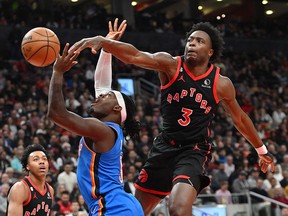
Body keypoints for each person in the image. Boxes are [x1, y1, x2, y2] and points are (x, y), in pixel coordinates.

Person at [68, 21, 275, 215]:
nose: (192, 44)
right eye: (190, 40)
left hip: (193, 151)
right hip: (164, 147)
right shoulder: (170, 64)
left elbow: (239, 118)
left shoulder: (221, 83)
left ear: (210, 52)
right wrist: (106, 43)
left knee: (178, 209)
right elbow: (135, 55)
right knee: (135, 211)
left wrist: (261, 149)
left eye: (199, 41)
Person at [47, 19, 144, 216]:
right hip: (118, 206)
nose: (98, 96)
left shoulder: (104, 130)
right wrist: (107, 47)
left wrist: (57, 72)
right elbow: (102, 86)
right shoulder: (109, 129)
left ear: (117, 108)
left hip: (114, 207)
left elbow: (56, 113)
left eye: (105, 97)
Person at [6, 144, 54, 216]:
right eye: (36, 159)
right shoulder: (20, 188)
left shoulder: (50, 190)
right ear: (27, 166)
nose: (42, 162)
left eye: (44, 159)